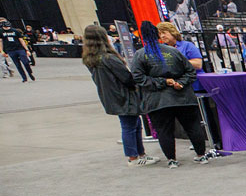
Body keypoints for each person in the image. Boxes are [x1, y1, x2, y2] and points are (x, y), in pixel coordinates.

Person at [131, 19, 208, 169]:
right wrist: (180, 83)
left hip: (158, 101)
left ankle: (172, 159)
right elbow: (190, 71)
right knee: (193, 126)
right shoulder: (174, 52)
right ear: (157, 35)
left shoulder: (140, 55)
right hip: (183, 98)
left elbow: (138, 77)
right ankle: (201, 155)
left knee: (164, 130)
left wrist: (162, 82)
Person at [82, 24, 157, 167]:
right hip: (123, 95)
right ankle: (133, 157)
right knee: (129, 126)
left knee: (133, 124)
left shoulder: (91, 59)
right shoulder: (108, 58)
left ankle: (140, 154)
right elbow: (127, 78)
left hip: (111, 96)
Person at [0, 17, 34, 82]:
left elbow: (21, 40)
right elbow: (0, 41)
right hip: (10, 50)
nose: (7, 28)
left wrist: (26, 50)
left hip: (19, 48)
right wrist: (2, 51)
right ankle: (24, 77)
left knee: (25, 62)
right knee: (17, 64)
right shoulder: (1, 31)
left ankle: (30, 73)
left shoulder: (15, 31)